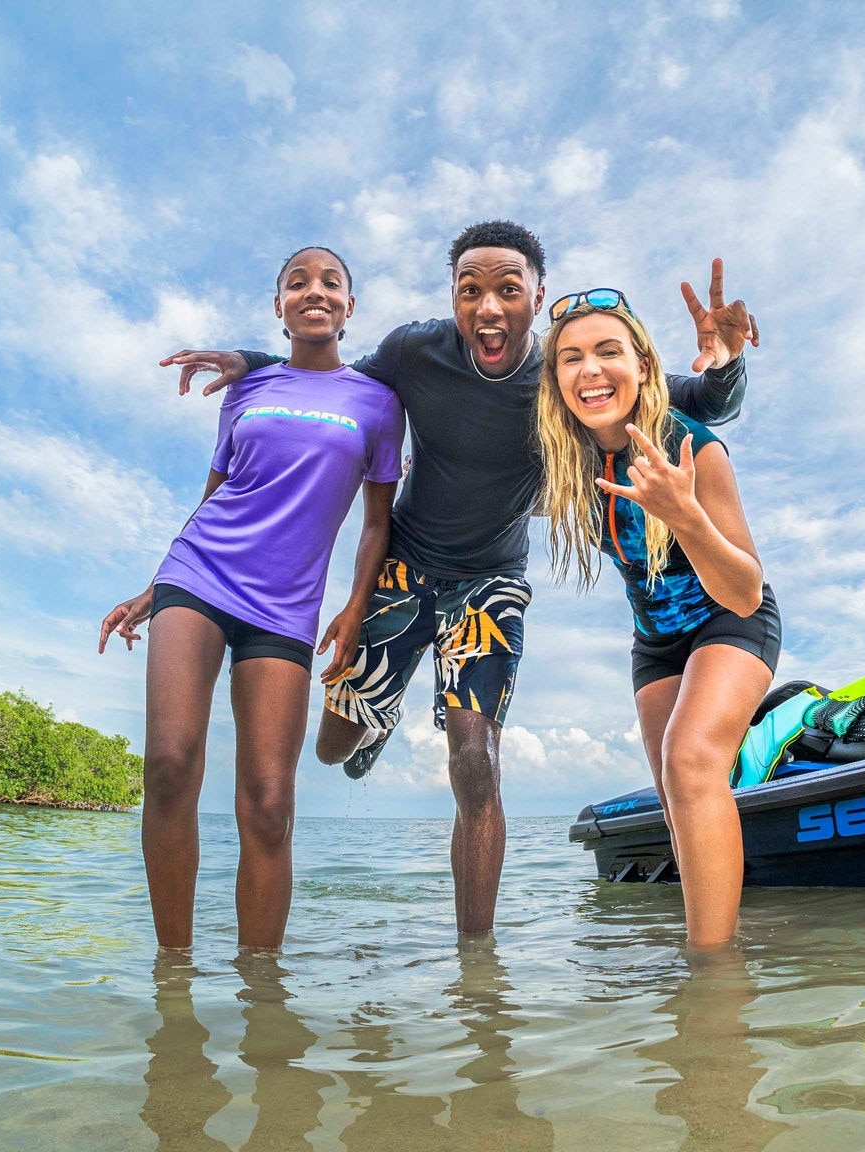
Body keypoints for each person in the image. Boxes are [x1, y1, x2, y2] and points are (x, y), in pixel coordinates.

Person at [159, 220, 760, 937]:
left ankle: (478, 967)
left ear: (536, 300)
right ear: (453, 299)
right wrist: (250, 358)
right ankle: (373, 728)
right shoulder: (415, 352)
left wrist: (725, 366)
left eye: (509, 289)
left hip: (489, 583)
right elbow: (329, 375)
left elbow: (683, 401)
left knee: (475, 760)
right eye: (469, 290)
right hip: (404, 565)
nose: (488, 307)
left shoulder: (564, 377)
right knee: (332, 744)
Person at [98, 247, 404, 952]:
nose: (314, 291)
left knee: (269, 804)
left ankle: (260, 994)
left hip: (285, 607)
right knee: (170, 763)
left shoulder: (379, 403)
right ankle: (172, 974)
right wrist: (155, 586)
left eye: (331, 283)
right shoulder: (251, 384)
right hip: (200, 575)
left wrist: (356, 606)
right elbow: (213, 496)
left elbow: (378, 522)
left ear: (350, 307)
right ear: (280, 306)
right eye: (298, 283)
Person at [536, 288, 776, 947]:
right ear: (555, 382)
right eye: (571, 358)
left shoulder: (693, 446)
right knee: (676, 794)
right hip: (655, 643)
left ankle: (715, 985)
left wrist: (687, 518)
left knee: (690, 756)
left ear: (644, 366)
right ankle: (713, 934)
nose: (590, 369)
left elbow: (746, 592)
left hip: (729, 619)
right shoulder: (568, 465)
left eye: (609, 351)